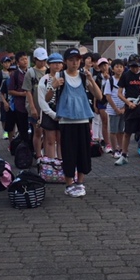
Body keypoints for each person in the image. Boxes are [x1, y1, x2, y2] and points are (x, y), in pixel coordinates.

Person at [47, 47, 103, 197]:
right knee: (68, 153)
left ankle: (80, 182)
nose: (75, 63)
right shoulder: (59, 76)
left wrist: (91, 79)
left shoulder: (84, 77)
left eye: (77, 60)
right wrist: (53, 86)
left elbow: (99, 96)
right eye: (71, 60)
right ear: (66, 62)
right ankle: (69, 184)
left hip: (83, 119)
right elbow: (47, 99)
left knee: (83, 152)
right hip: (66, 121)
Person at [115, 54, 140, 167]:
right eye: (132, 66)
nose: (134, 69)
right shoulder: (126, 76)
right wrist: (128, 103)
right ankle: (124, 155)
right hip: (130, 107)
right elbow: (119, 93)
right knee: (127, 132)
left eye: (136, 66)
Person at [38, 53, 64, 159]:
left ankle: (61, 163)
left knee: (61, 140)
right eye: (54, 63)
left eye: (59, 63)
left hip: (62, 111)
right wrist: (52, 114)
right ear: (49, 65)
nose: (57, 65)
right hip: (49, 112)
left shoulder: (65, 78)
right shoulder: (44, 79)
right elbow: (42, 100)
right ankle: (51, 163)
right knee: (50, 140)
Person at [24, 47, 48, 158]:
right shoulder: (30, 72)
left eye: (44, 60)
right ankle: (38, 155)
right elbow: (28, 91)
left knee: (47, 133)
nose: (42, 62)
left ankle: (47, 155)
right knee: (38, 131)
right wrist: (32, 108)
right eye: (40, 60)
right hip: (36, 107)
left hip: (47, 107)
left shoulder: (49, 71)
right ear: (35, 59)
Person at [104, 58, 126, 159]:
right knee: (113, 131)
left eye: (121, 67)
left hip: (123, 109)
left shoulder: (125, 80)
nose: (119, 69)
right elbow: (108, 96)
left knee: (121, 131)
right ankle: (114, 150)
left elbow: (127, 95)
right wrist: (115, 109)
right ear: (112, 69)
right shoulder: (110, 80)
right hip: (113, 110)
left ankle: (121, 148)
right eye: (117, 67)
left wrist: (124, 108)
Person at [7, 51, 30, 143]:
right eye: (22, 59)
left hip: (32, 105)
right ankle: (24, 147)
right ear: (17, 62)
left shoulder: (31, 72)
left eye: (26, 59)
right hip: (20, 106)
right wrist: (22, 94)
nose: (25, 61)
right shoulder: (15, 74)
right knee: (23, 129)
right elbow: (10, 90)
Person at [93, 57, 111, 152]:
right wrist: (95, 105)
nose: (104, 67)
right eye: (102, 66)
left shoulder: (113, 75)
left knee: (112, 123)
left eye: (105, 65)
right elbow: (95, 92)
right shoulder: (97, 77)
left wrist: (109, 79)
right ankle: (107, 143)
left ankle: (113, 143)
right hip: (102, 102)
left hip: (112, 102)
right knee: (104, 122)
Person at [0, 56, 12, 139]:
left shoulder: (12, 72)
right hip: (3, 98)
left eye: (8, 62)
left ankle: (12, 132)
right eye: (5, 62)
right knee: (4, 117)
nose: (7, 64)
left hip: (12, 98)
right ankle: (5, 132)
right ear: (2, 64)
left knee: (12, 117)